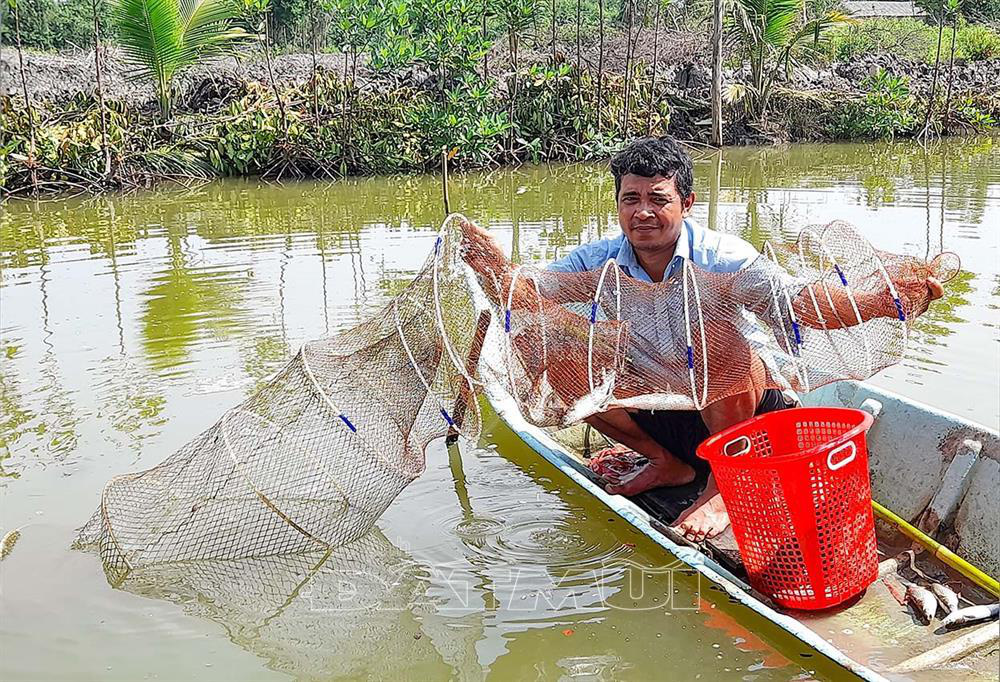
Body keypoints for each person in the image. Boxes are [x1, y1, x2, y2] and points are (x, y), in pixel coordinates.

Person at [540, 136, 944, 543]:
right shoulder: (597, 260)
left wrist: (879, 304)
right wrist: (487, 263)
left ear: (687, 203)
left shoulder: (722, 256)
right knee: (554, 349)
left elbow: (797, 302)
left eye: (658, 199)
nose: (643, 212)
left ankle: (722, 490)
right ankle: (663, 462)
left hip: (745, 424)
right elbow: (533, 290)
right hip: (663, 407)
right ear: (618, 205)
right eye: (631, 199)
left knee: (712, 333)